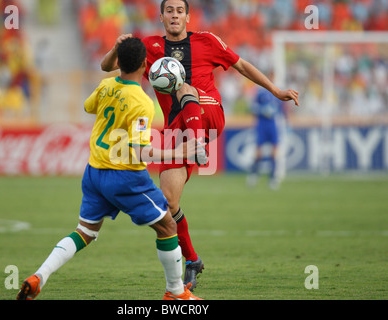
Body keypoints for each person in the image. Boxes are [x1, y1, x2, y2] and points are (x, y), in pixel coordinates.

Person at [100, 0, 299, 291]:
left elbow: (241, 65)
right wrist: (116, 47)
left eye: (180, 11)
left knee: (185, 87)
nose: (175, 15)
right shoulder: (149, 47)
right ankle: (192, 260)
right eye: (170, 11)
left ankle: (197, 145)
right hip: (176, 132)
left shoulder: (207, 41)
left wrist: (275, 90)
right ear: (161, 16)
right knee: (167, 203)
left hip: (208, 115)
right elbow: (108, 66)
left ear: (188, 16)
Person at [17, 37, 204, 300]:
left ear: (118, 62)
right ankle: (175, 292)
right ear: (144, 64)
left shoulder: (105, 86)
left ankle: (39, 276)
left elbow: (87, 106)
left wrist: (115, 52)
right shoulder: (141, 101)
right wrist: (180, 151)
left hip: (94, 172)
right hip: (126, 176)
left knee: (85, 231)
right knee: (168, 226)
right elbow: (141, 151)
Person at [247, 86, 287, 190]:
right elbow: (252, 107)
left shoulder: (278, 92)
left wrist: (287, 123)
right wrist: (261, 110)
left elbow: (283, 110)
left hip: (273, 124)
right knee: (258, 151)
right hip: (262, 123)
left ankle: (273, 177)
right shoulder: (260, 92)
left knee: (274, 150)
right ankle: (254, 174)